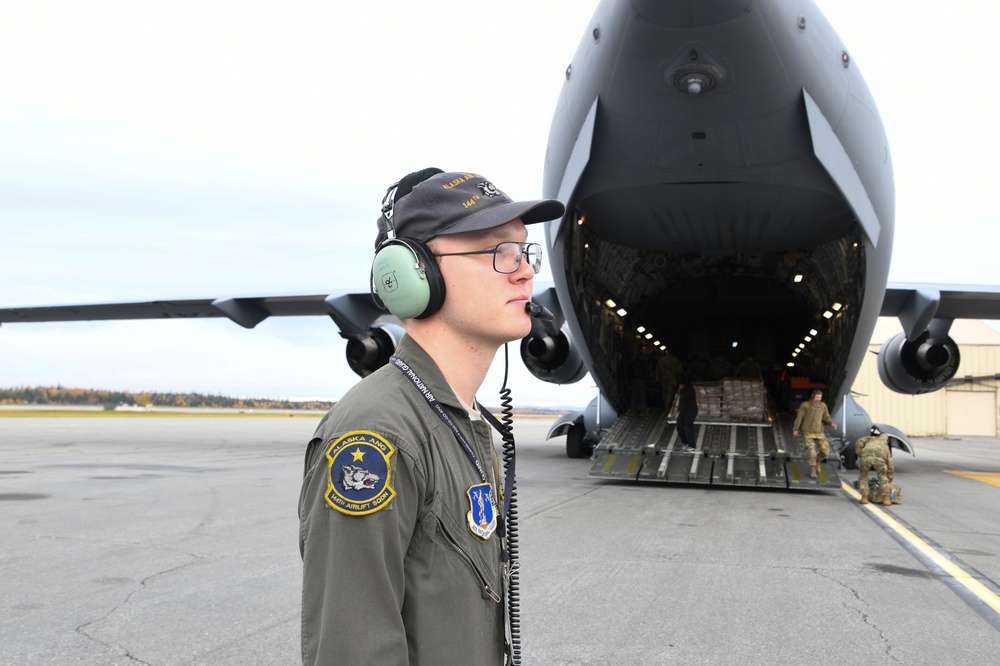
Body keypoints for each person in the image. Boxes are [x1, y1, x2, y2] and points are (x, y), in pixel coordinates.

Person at [298, 168, 564, 665]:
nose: (526, 271)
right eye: (499, 252)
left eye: (526, 252)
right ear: (415, 275)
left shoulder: (464, 423)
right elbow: (351, 650)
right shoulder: (376, 436)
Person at [792, 389, 837, 478]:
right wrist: (796, 429)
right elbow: (799, 417)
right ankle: (813, 470)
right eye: (817, 397)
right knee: (812, 452)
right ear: (813, 396)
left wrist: (831, 423)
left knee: (825, 451)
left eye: (820, 397)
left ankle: (817, 462)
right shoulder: (805, 405)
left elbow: (826, 417)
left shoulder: (823, 406)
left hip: (820, 433)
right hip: (808, 433)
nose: (818, 399)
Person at [855, 425, 895, 506]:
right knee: (883, 478)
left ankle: (864, 498)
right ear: (886, 440)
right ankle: (886, 499)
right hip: (879, 461)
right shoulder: (885, 446)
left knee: (863, 477)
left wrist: (860, 454)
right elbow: (890, 465)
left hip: (865, 458)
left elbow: (859, 442)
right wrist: (890, 480)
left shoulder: (870, 438)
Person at [676, 378, 698, 450]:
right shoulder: (683, 391)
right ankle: (685, 443)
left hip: (690, 412)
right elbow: (681, 400)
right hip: (683, 412)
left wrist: (681, 390)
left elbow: (685, 399)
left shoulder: (690, 391)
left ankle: (692, 445)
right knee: (679, 426)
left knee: (689, 427)